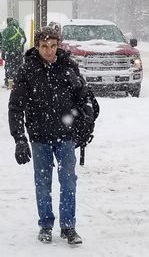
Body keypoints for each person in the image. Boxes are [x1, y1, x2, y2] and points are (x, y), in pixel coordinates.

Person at [8, 26, 99, 244]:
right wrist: (20, 139)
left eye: (53, 46)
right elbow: (16, 107)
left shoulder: (68, 66)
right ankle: (46, 225)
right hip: (39, 137)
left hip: (65, 136)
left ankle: (68, 227)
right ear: (37, 47)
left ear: (58, 45)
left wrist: (85, 120)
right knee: (43, 182)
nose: (49, 51)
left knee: (68, 182)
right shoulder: (27, 70)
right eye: (44, 46)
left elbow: (84, 97)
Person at [1, 17, 26, 88]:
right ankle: (19, 82)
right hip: (19, 53)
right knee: (19, 67)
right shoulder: (20, 30)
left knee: (9, 67)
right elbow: (24, 40)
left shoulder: (6, 31)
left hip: (10, 53)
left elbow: (4, 43)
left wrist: (3, 52)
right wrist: (19, 45)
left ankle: (9, 83)